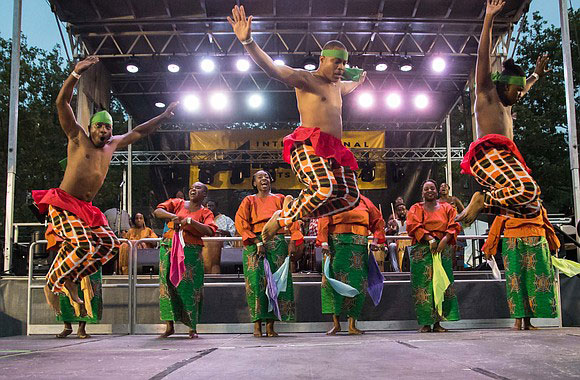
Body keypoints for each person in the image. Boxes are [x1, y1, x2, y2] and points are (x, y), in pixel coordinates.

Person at [32, 56, 178, 311]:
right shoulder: (77, 137)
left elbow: (141, 131)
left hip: (85, 208)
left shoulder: (112, 145)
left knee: (110, 245)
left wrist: (163, 116)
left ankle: (73, 279)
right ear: (89, 127)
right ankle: (52, 282)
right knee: (83, 245)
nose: (104, 132)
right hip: (64, 203)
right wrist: (75, 75)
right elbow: (61, 102)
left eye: (108, 128)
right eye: (99, 126)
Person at [228, 5, 365, 241]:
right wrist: (248, 41)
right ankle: (282, 218)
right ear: (322, 60)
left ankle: (295, 212)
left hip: (332, 150)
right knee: (325, 187)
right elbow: (272, 70)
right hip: (308, 145)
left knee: (351, 196)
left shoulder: (338, 87)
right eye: (335, 63)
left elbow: (356, 80)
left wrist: (357, 76)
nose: (341, 68)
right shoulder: (307, 79)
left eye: (344, 64)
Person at [457, 0, 550, 226]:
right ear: (504, 86)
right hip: (488, 154)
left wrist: (536, 75)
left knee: (532, 204)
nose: (520, 95)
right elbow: (483, 56)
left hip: (505, 157)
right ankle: (482, 199)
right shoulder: (487, 94)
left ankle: (485, 204)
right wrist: (489, 17)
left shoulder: (508, 103)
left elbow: (525, 85)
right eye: (517, 91)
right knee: (526, 188)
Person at [234, 170, 303, 337]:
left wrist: (294, 240)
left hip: (277, 242)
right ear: (254, 183)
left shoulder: (280, 199)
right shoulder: (249, 200)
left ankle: (271, 326)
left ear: (271, 181)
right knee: (256, 284)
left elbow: (291, 217)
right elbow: (241, 222)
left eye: (266, 177)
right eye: (259, 177)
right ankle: (257, 326)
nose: (263, 179)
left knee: (276, 282)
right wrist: (257, 241)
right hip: (254, 243)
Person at [153, 182, 217, 339]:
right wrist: (173, 217)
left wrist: (190, 221)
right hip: (168, 248)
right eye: (192, 187)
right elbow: (158, 211)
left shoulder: (206, 212)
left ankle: (191, 327)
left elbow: (210, 230)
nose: (193, 190)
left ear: (204, 195)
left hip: (190, 252)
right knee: (167, 285)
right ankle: (169, 326)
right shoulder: (178, 203)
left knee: (190, 287)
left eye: (198, 188)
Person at [316, 195, 385, 335]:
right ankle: (336, 324)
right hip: (336, 246)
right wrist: (323, 242)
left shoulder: (365, 201)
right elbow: (323, 219)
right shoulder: (331, 200)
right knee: (333, 282)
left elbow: (378, 221)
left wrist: (376, 240)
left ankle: (352, 325)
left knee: (357, 284)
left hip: (358, 248)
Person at [483, 207, 560, 330]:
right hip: (514, 242)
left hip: (537, 241)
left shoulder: (536, 204)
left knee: (534, 283)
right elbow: (497, 225)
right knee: (516, 281)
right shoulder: (507, 204)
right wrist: (489, 247)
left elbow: (546, 223)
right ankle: (518, 321)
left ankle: (528, 322)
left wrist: (553, 243)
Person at [407, 180, 461, 332]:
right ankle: (425, 323)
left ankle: (438, 323)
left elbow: (454, 225)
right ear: (422, 192)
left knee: (441, 284)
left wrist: (444, 240)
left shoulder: (447, 207)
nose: (429, 190)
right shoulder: (416, 208)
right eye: (426, 189)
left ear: (437, 191)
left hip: (442, 249)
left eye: (432, 188)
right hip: (422, 250)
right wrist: (429, 239)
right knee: (423, 286)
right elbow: (413, 225)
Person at [202, 200, 237, 274]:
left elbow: (234, 233)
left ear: (216, 207)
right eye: (207, 206)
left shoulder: (226, 219)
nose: (209, 208)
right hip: (204, 249)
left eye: (211, 206)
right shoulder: (201, 219)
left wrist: (224, 232)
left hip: (223, 249)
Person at [385, 197, 408, 272]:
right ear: (396, 212)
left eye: (403, 210)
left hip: (409, 244)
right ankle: (396, 270)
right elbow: (386, 233)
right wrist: (391, 230)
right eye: (399, 210)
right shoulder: (393, 222)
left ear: (406, 210)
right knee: (392, 246)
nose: (402, 212)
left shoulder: (410, 220)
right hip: (397, 243)